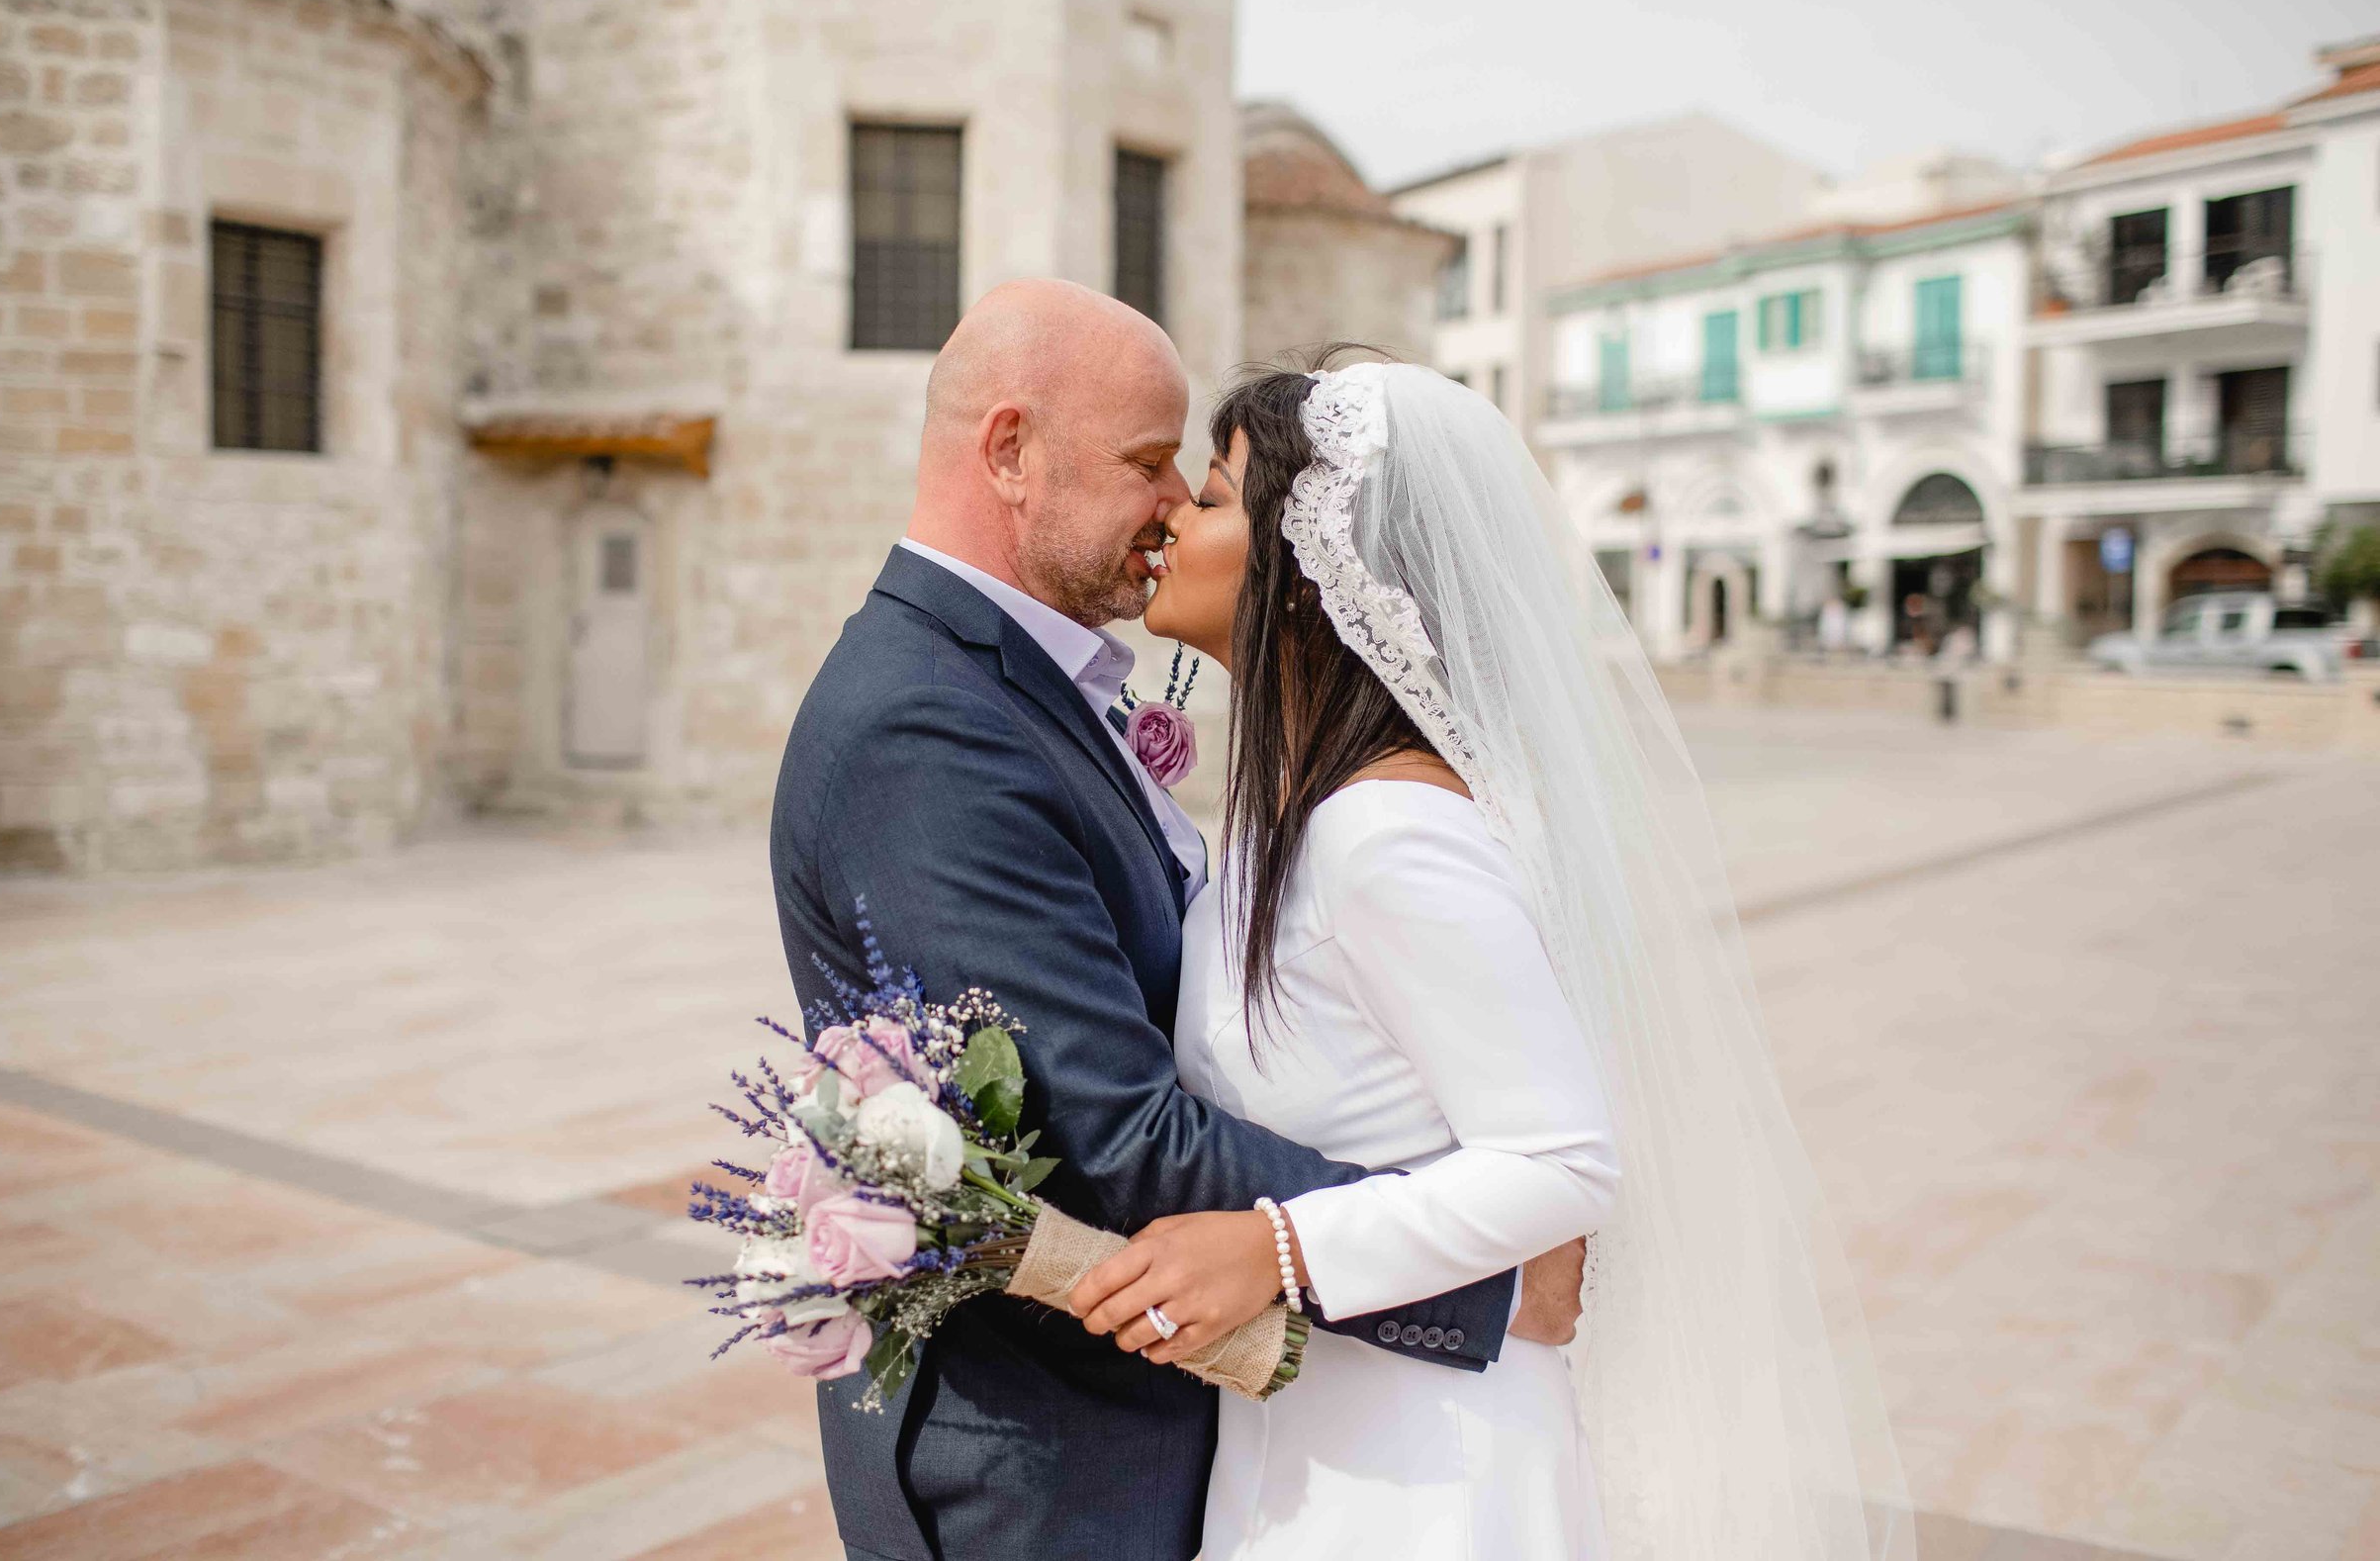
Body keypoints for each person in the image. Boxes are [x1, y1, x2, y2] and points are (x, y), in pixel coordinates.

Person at [768, 284, 1586, 1561]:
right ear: (1010, 452)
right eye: (1155, 467)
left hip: (1296, 1436)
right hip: (1046, 1463)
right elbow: (1113, 1132)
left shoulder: (1350, 817)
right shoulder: (922, 724)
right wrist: (1484, 1270)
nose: (1172, 508)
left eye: (1202, 489)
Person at [1065, 355, 1916, 1560]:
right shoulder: (1290, 818)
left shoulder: (1386, 833)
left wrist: (1277, 1244)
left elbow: (1562, 1159)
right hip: (1310, 1429)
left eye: (1208, 498)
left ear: (1307, 575)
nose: (1171, 519)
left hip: (1423, 1472)